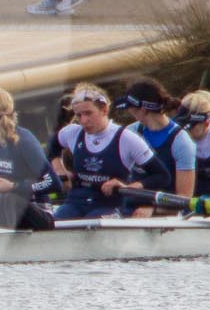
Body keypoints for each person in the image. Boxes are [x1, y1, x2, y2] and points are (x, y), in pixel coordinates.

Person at [50, 83, 169, 219]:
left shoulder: (127, 138)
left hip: (109, 205)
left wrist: (130, 186)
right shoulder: (72, 132)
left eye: (88, 113)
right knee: (54, 223)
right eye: (79, 115)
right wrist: (60, 170)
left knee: (92, 225)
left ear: (104, 110)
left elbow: (162, 175)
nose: (83, 121)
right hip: (76, 202)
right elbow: (53, 148)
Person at [0, 85, 57, 230]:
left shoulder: (24, 141)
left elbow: (53, 183)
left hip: (39, 212)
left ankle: (0, 245)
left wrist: (14, 187)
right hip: (11, 212)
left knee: (10, 198)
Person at [115, 77, 197, 199]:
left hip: (164, 212)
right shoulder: (130, 132)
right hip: (132, 205)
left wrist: (153, 210)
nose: (129, 112)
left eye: (130, 109)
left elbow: (184, 197)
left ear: (142, 110)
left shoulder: (181, 142)